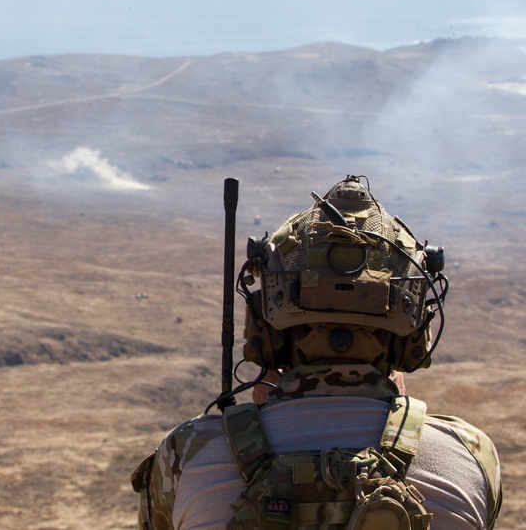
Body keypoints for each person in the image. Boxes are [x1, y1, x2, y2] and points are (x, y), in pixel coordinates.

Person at [132, 175, 501, 530]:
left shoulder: (189, 456)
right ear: (415, 332)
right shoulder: (468, 458)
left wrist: (265, 421)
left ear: (265, 329)